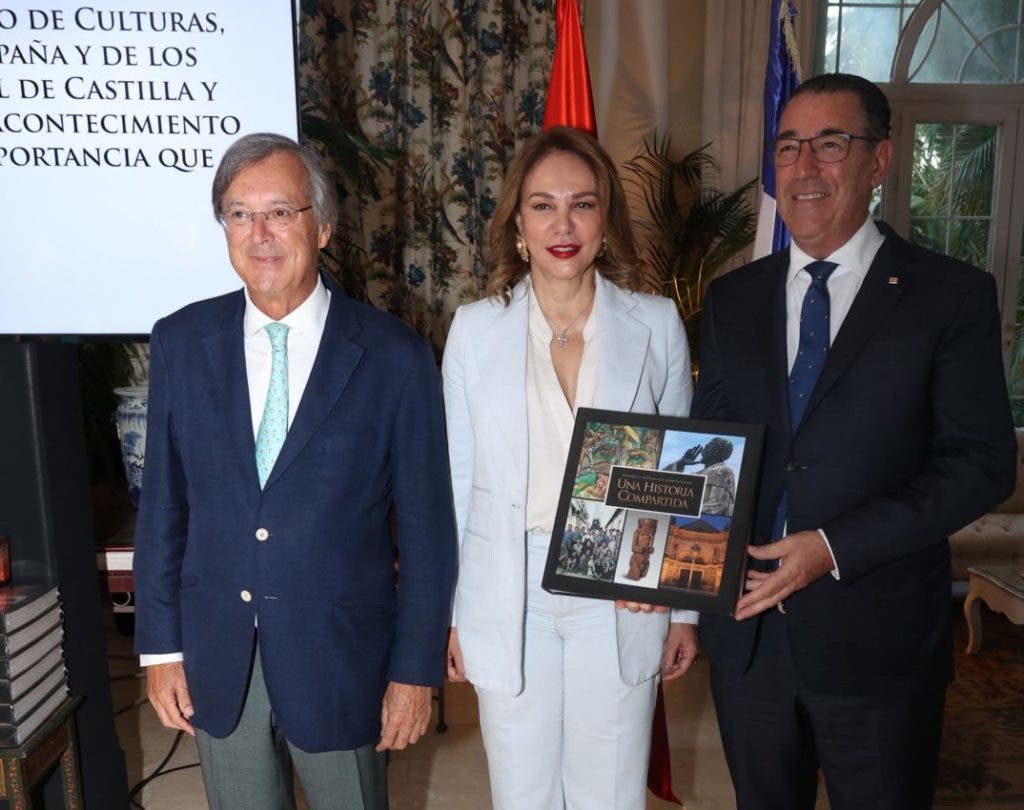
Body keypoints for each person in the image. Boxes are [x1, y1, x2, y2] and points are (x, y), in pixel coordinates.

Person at [692, 73, 1016, 810]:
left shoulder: (951, 295)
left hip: (880, 648)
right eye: (788, 147)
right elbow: (711, 448)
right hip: (750, 645)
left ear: (880, 160)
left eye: (830, 144)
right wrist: (654, 558)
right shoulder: (733, 298)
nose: (805, 167)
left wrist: (833, 546)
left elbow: (982, 461)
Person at [132, 132, 457, 810]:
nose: (260, 233)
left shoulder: (394, 356)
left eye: (281, 211)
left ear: (325, 226)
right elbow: (164, 507)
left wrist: (414, 670)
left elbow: (428, 531)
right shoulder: (181, 342)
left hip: (342, 658)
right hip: (220, 658)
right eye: (239, 213)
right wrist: (159, 649)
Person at [442, 125, 699, 810]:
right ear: (517, 222)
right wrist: (453, 614)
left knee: (609, 794)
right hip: (509, 588)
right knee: (522, 794)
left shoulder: (657, 323)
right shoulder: (473, 330)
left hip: (618, 584)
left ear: (606, 220)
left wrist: (679, 608)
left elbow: (680, 481)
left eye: (582, 204)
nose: (563, 224)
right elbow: (457, 484)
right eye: (543, 204)